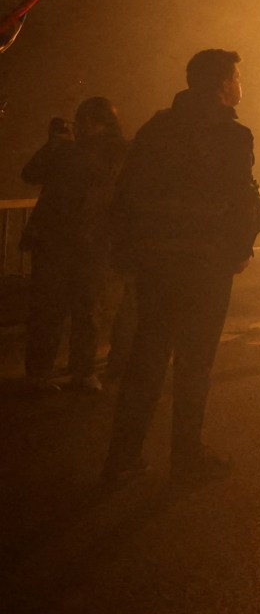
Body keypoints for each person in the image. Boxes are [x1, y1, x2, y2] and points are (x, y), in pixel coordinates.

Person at [103, 50, 260, 485]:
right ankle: (186, 453)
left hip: (157, 263)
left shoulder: (157, 128)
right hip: (205, 266)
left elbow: (126, 195)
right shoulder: (232, 136)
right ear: (222, 85)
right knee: (195, 361)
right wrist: (240, 249)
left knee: (147, 357)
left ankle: (122, 456)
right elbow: (241, 201)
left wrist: (128, 253)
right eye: (236, 77)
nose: (240, 86)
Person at [21, 98, 126, 394]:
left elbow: (101, 175)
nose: (78, 128)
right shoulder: (66, 149)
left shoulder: (115, 149)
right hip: (58, 240)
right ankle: (41, 374)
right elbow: (30, 174)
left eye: (82, 122)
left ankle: (81, 372)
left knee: (86, 309)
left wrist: (70, 149)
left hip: (90, 240)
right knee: (53, 309)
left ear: (96, 122)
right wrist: (53, 146)